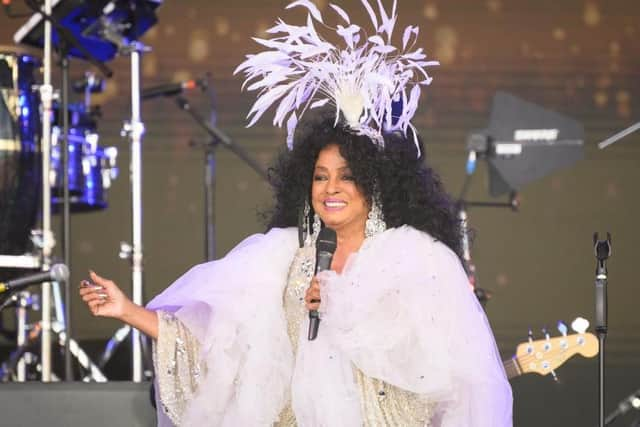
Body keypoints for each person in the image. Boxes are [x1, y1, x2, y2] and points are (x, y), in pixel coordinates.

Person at [80, 2, 512, 426]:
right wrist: (127, 311)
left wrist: (343, 306)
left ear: (377, 184)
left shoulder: (416, 258)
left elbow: (435, 369)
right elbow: (217, 343)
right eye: (320, 176)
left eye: (347, 176)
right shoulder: (284, 255)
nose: (331, 189)